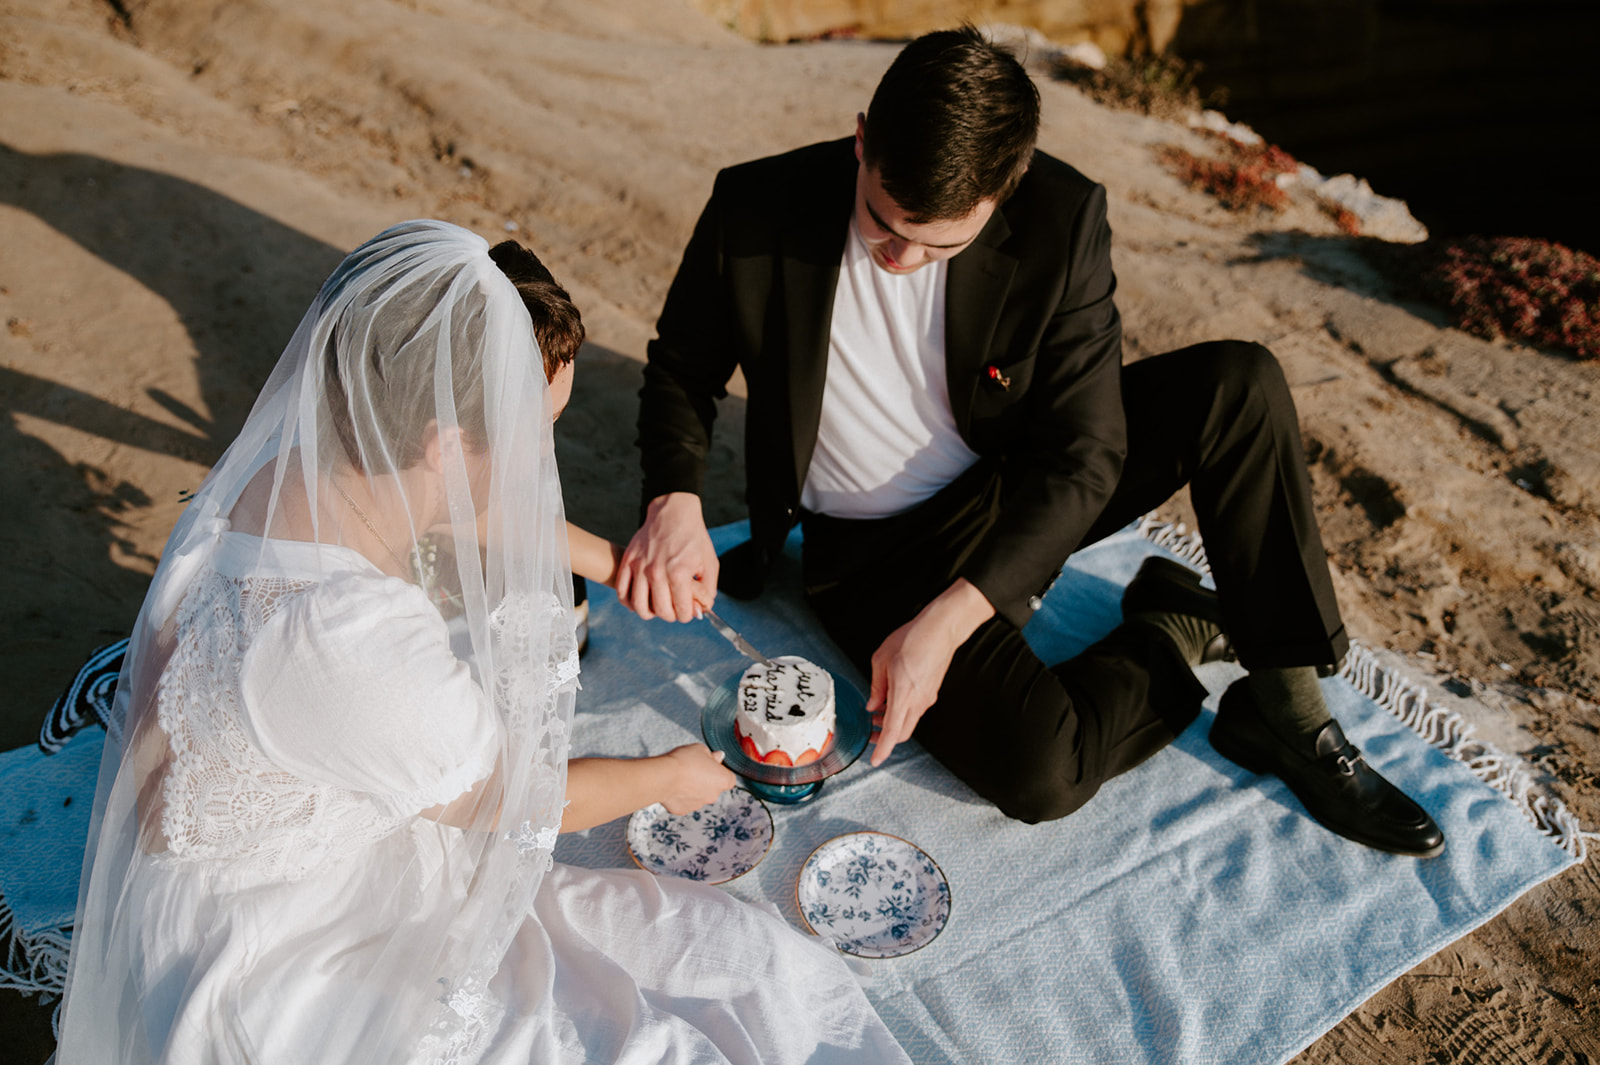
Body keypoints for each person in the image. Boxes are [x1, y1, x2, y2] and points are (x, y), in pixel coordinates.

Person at [54, 220, 910, 1064]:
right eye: (537, 431)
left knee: (719, 948)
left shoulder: (298, 464)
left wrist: (616, 564)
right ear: (445, 442)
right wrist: (665, 775)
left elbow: (474, 500)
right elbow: (516, 805)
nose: (544, 454)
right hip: (280, 950)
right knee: (647, 1032)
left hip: (241, 841)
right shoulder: (348, 636)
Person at [619, 27, 1444, 858]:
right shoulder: (754, 206)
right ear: (863, 138)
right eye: (882, 223)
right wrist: (674, 498)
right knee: (1043, 773)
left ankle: (1288, 711)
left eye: (940, 243)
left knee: (1240, 383)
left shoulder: (1064, 213)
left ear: (1004, 191)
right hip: (872, 555)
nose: (902, 258)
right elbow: (681, 368)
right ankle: (1175, 626)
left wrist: (947, 627)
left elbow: (1087, 452)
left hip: (1013, 486)